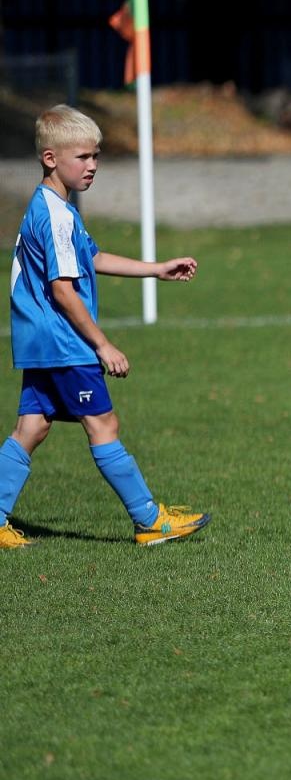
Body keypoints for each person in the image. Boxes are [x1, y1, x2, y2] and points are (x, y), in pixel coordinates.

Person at [0, 105, 209, 550]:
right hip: (64, 342)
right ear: (51, 158)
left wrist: (157, 269)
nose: (92, 165)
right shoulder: (55, 214)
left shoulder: (57, 207)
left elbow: (91, 258)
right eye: (83, 157)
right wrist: (103, 344)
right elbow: (63, 289)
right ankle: (149, 520)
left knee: (31, 429)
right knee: (104, 424)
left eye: (96, 156)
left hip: (42, 340)